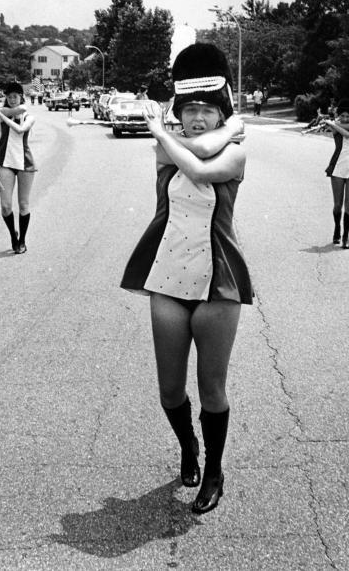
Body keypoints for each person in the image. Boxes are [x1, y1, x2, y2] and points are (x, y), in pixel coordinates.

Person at [121, 43, 252, 515]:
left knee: (212, 387)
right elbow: (187, 151)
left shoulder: (234, 156)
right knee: (170, 390)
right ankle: (187, 445)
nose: (197, 118)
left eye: (208, 111)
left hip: (219, 283)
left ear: (219, 115)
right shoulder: (166, 147)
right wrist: (227, 123)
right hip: (169, 278)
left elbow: (198, 164)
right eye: (189, 110)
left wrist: (226, 128)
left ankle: (214, 472)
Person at [0, 82, 37, 254]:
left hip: (24, 162)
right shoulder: (4, 110)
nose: (11, 99)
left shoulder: (29, 116)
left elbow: (20, 128)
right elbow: (12, 111)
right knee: (5, 206)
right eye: (9, 96)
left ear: (21, 97)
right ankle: (13, 235)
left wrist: (1, 115)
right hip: (6, 161)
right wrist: (3, 113)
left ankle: (22, 240)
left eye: (15, 96)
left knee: (24, 204)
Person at [323, 98, 349, 249]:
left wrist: (333, 123)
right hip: (338, 167)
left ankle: (346, 235)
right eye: (342, 116)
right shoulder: (334, 126)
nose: (345, 118)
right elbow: (339, 129)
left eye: (348, 115)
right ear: (339, 115)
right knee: (337, 204)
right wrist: (333, 123)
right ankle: (337, 229)